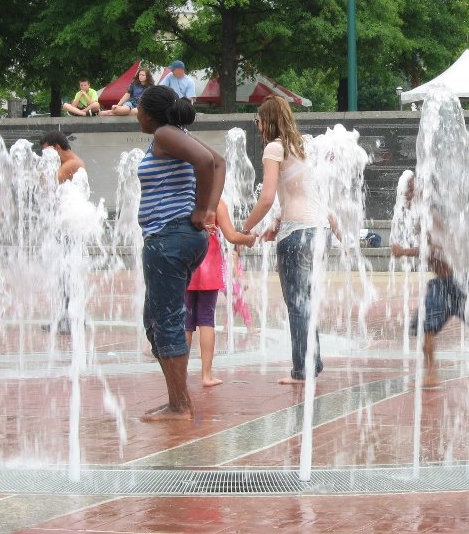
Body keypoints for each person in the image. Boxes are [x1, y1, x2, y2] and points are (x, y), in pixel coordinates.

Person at [137, 85, 225, 421]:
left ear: (150, 112)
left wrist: (204, 208)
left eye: (139, 107)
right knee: (157, 321)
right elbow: (219, 161)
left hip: (170, 236)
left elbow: (208, 161)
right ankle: (178, 399)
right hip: (177, 237)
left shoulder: (164, 134)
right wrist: (209, 209)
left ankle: (179, 406)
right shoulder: (174, 134)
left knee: (166, 322)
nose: (136, 113)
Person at [390, 175, 469, 387]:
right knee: (425, 325)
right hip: (447, 283)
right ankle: (431, 373)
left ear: (420, 189)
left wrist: (405, 252)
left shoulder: (431, 213)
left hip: (456, 282)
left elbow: (439, 248)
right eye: (405, 190)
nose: (406, 195)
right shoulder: (425, 213)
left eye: (409, 190)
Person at [242, 95, 330, 385]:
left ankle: (301, 371)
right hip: (318, 232)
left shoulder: (274, 147)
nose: (257, 124)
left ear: (268, 120)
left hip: (297, 234)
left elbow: (266, 197)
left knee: (297, 304)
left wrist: (246, 228)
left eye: (259, 118)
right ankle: (312, 363)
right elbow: (300, 192)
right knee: (308, 301)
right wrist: (276, 225)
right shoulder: (301, 146)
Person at [185, 199, 256, 387]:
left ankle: (180, 373)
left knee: (186, 323)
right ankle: (207, 375)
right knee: (206, 319)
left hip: (187, 264)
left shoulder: (184, 198)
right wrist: (248, 239)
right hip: (208, 267)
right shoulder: (215, 203)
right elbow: (231, 236)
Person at [39, 131, 86, 335]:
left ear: (56, 147)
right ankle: (66, 316)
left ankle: (71, 318)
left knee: (68, 272)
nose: (45, 156)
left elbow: (47, 187)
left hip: (69, 227)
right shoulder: (69, 163)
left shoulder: (71, 164)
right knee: (64, 273)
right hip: (65, 226)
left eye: (46, 151)